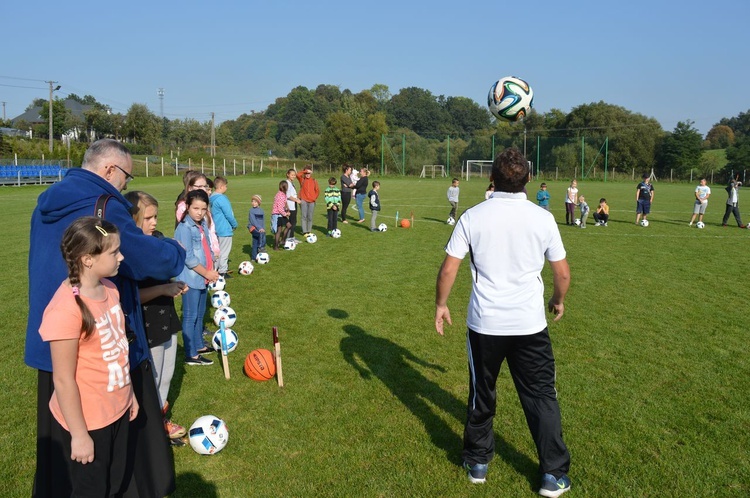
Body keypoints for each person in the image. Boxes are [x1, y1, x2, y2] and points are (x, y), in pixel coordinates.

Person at [27, 138, 185, 498]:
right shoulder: (105, 206)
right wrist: (174, 249)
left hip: (55, 341)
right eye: (127, 176)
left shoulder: (47, 201)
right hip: (98, 345)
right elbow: (147, 259)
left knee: (61, 454)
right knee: (106, 457)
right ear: (109, 169)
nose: (127, 185)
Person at [434, 147, 572, 496]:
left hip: (485, 325)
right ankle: (553, 475)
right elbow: (563, 274)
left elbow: (449, 267)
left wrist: (441, 304)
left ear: (491, 178)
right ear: (527, 179)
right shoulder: (542, 218)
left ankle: (478, 463)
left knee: (483, 393)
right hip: (529, 326)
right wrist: (557, 300)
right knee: (541, 396)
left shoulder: (473, 216)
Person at [39, 217, 138, 497]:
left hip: (117, 407)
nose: (122, 256)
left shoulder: (111, 289)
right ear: (87, 260)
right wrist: (80, 435)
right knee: (91, 489)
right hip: (89, 421)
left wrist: (130, 394)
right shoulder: (66, 310)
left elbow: (119, 349)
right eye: (114, 252)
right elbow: (63, 379)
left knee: (115, 481)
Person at [124, 190, 188, 442]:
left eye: (156, 216)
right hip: (146, 325)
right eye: (148, 218)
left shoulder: (158, 240)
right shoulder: (128, 253)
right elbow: (131, 296)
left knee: (167, 374)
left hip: (166, 318)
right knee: (153, 377)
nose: (154, 222)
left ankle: (161, 421)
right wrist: (163, 288)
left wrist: (174, 285)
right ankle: (147, 431)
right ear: (133, 220)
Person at [174, 189, 221, 366]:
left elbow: (206, 248)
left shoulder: (200, 225)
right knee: (190, 316)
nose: (199, 212)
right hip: (192, 279)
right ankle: (191, 354)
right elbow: (188, 257)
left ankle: (199, 346)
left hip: (203, 278)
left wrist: (212, 268)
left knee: (200, 314)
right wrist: (206, 272)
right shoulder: (184, 228)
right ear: (187, 207)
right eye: (195, 208)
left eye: (203, 209)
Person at [210, 176, 238, 278]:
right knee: (224, 251)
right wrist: (234, 224)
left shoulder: (212, 198)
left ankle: (215, 269)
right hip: (224, 229)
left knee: (217, 250)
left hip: (216, 228)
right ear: (221, 187)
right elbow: (228, 214)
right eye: (226, 186)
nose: (226, 188)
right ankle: (222, 271)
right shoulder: (221, 199)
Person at [298, 166, 320, 236]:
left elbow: (317, 191)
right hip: (303, 200)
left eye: (309, 173)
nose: (307, 174)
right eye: (306, 173)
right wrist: (305, 171)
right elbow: (297, 174)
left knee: (310, 217)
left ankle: (309, 231)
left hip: (312, 201)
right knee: (304, 216)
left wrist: (314, 198)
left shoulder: (314, 180)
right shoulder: (302, 179)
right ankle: (304, 231)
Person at [272, 180, 291, 250]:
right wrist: (286, 214)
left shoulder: (283, 194)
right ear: (284, 187)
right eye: (287, 186)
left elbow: (284, 204)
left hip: (281, 214)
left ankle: (282, 240)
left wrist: (287, 209)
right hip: (277, 215)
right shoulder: (280, 195)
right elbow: (279, 208)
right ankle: (276, 246)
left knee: (288, 225)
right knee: (279, 230)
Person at [247, 194, 267, 260]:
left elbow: (263, 221)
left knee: (255, 242)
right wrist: (260, 228)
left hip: (260, 228)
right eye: (252, 201)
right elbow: (253, 221)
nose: (253, 203)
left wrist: (263, 228)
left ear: (258, 203)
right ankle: (261, 247)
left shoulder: (261, 211)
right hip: (253, 228)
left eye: (255, 202)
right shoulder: (251, 210)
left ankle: (254, 257)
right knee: (260, 234)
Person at [285, 169, 301, 242]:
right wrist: (296, 200)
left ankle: (292, 237)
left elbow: (292, 194)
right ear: (288, 174)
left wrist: (296, 198)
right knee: (292, 222)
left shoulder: (292, 183)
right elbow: (288, 195)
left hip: (293, 204)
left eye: (294, 175)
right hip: (290, 205)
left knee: (293, 221)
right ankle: (289, 238)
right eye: (292, 175)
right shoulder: (287, 183)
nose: (293, 176)